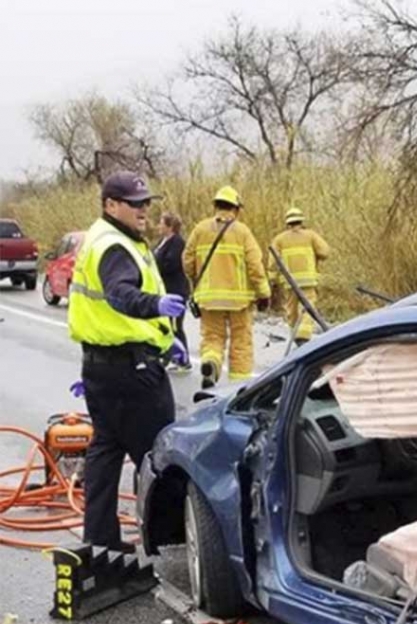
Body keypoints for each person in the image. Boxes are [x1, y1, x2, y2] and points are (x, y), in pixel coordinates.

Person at [67, 171, 187, 551]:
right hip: (132, 372)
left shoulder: (105, 238)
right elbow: (120, 294)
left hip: (103, 366)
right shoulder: (115, 246)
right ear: (110, 205)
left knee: (106, 450)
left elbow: (105, 310)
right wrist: (155, 306)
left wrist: (166, 345)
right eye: (135, 203)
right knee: (158, 453)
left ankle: (101, 541)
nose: (143, 210)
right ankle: (170, 540)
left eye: (146, 202)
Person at [182, 186, 270, 388]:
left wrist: (198, 280)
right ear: (236, 209)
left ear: (216, 206)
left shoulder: (200, 229)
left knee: (212, 338)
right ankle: (238, 387)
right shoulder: (242, 232)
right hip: (239, 302)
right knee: (241, 342)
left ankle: (211, 363)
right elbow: (255, 265)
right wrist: (264, 293)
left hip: (208, 300)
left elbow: (187, 261)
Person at [268, 207, 331, 346]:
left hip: (290, 283)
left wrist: (272, 280)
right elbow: (325, 252)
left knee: (291, 310)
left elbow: (272, 264)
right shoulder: (311, 235)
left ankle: (295, 335)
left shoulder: (279, 239)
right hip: (308, 281)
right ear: (301, 221)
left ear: (287, 223)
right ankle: (303, 336)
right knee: (308, 308)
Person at [154, 212, 191, 372]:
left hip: (176, 291)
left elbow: (171, 264)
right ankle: (169, 357)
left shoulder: (177, 243)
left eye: (161, 223)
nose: (159, 226)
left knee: (176, 327)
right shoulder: (162, 242)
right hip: (165, 291)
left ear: (169, 226)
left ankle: (184, 360)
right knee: (166, 326)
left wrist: (156, 264)